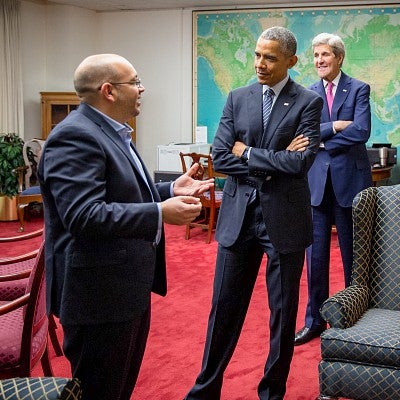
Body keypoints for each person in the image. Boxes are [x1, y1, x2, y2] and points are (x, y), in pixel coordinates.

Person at [38, 53, 213, 400]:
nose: (142, 87)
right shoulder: (74, 136)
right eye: (134, 82)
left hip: (123, 288)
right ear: (108, 91)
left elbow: (122, 192)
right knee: (100, 391)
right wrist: (159, 212)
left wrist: (167, 190)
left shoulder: (113, 131)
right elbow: (83, 215)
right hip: (97, 297)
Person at [183, 27, 323, 400]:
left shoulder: (308, 102)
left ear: (291, 61)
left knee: (282, 316)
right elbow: (221, 158)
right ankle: (204, 390)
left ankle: (271, 394)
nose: (260, 64)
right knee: (223, 310)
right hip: (237, 219)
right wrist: (271, 160)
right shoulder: (237, 97)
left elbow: (301, 163)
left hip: (285, 221)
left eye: (270, 57)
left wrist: (247, 152)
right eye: (258, 55)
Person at [294, 33, 372, 346]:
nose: (319, 61)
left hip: (349, 184)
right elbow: (303, 134)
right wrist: (336, 126)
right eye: (315, 56)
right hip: (315, 186)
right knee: (315, 260)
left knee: (354, 258)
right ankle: (314, 322)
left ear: (339, 57)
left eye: (325, 55)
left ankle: (355, 318)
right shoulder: (307, 93)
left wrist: (322, 140)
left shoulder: (359, 88)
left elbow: (362, 130)